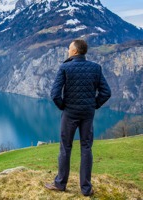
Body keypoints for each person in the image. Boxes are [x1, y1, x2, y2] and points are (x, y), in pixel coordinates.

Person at [45, 39, 111, 196]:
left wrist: (63, 107)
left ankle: (60, 184)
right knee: (86, 148)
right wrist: (94, 104)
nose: (68, 50)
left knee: (65, 148)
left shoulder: (65, 67)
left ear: (75, 51)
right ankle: (86, 189)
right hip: (87, 113)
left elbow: (55, 94)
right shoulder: (96, 68)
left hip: (70, 113)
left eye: (69, 48)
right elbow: (106, 92)